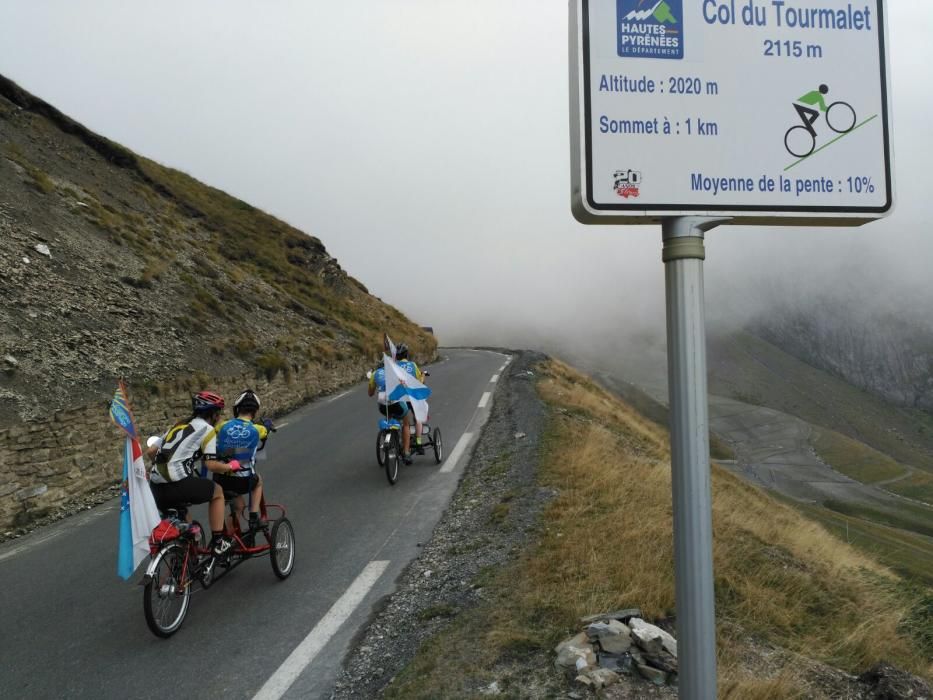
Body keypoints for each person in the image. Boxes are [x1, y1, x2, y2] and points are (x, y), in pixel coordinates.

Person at [148, 391, 242, 567]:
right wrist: (230, 466)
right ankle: (218, 541)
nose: (219, 417)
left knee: (183, 514)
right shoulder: (207, 430)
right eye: (219, 413)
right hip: (178, 483)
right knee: (218, 493)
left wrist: (163, 466)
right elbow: (211, 464)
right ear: (213, 414)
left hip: (155, 488)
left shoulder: (178, 425)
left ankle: (188, 557)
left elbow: (151, 451)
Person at [213, 389, 271, 539]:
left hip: (220, 479)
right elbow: (265, 432)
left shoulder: (223, 426)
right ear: (255, 411)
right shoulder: (258, 429)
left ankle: (227, 539)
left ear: (237, 409)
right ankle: (253, 517)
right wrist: (267, 427)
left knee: (238, 506)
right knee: (258, 481)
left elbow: (216, 429)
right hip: (242, 481)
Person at [368, 358, 413, 464]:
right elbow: (406, 386)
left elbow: (370, 393)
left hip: (382, 404)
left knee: (389, 414)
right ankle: (406, 452)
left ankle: (388, 433)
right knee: (406, 423)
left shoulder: (375, 374)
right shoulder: (396, 372)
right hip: (396, 402)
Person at [395, 344, 427, 454]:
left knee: (401, 419)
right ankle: (418, 442)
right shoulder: (412, 365)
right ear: (406, 354)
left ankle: (399, 440)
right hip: (411, 397)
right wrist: (423, 375)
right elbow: (420, 382)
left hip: (398, 397)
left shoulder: (393, 366)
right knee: (418, 418)